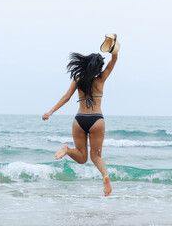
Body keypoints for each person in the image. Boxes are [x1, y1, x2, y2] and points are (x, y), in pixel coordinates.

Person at [42, 37, 118, 196]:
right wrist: (114, 44)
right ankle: (105, 176)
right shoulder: (101, 79)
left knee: (82, 157)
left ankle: (67, 150)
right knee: (96, 157)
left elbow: (66, 97)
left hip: (79, 120)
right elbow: (115, 58)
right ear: (98, 67)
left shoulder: (78, 79)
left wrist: (50, 112)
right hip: (96, 120)